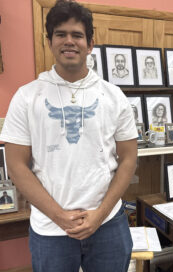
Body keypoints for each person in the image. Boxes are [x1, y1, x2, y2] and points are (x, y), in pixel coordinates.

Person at [0, 1, 138, 271]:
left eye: (77, 35)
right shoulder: (27, 97)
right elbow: (16, 165)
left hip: (108, 223)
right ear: (49, 41)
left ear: (90, 43)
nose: (69, 41)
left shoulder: (113, 96)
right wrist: (59, 216)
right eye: (60, 34)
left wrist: (99, 215)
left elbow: (129, 158)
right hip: (50, 230)